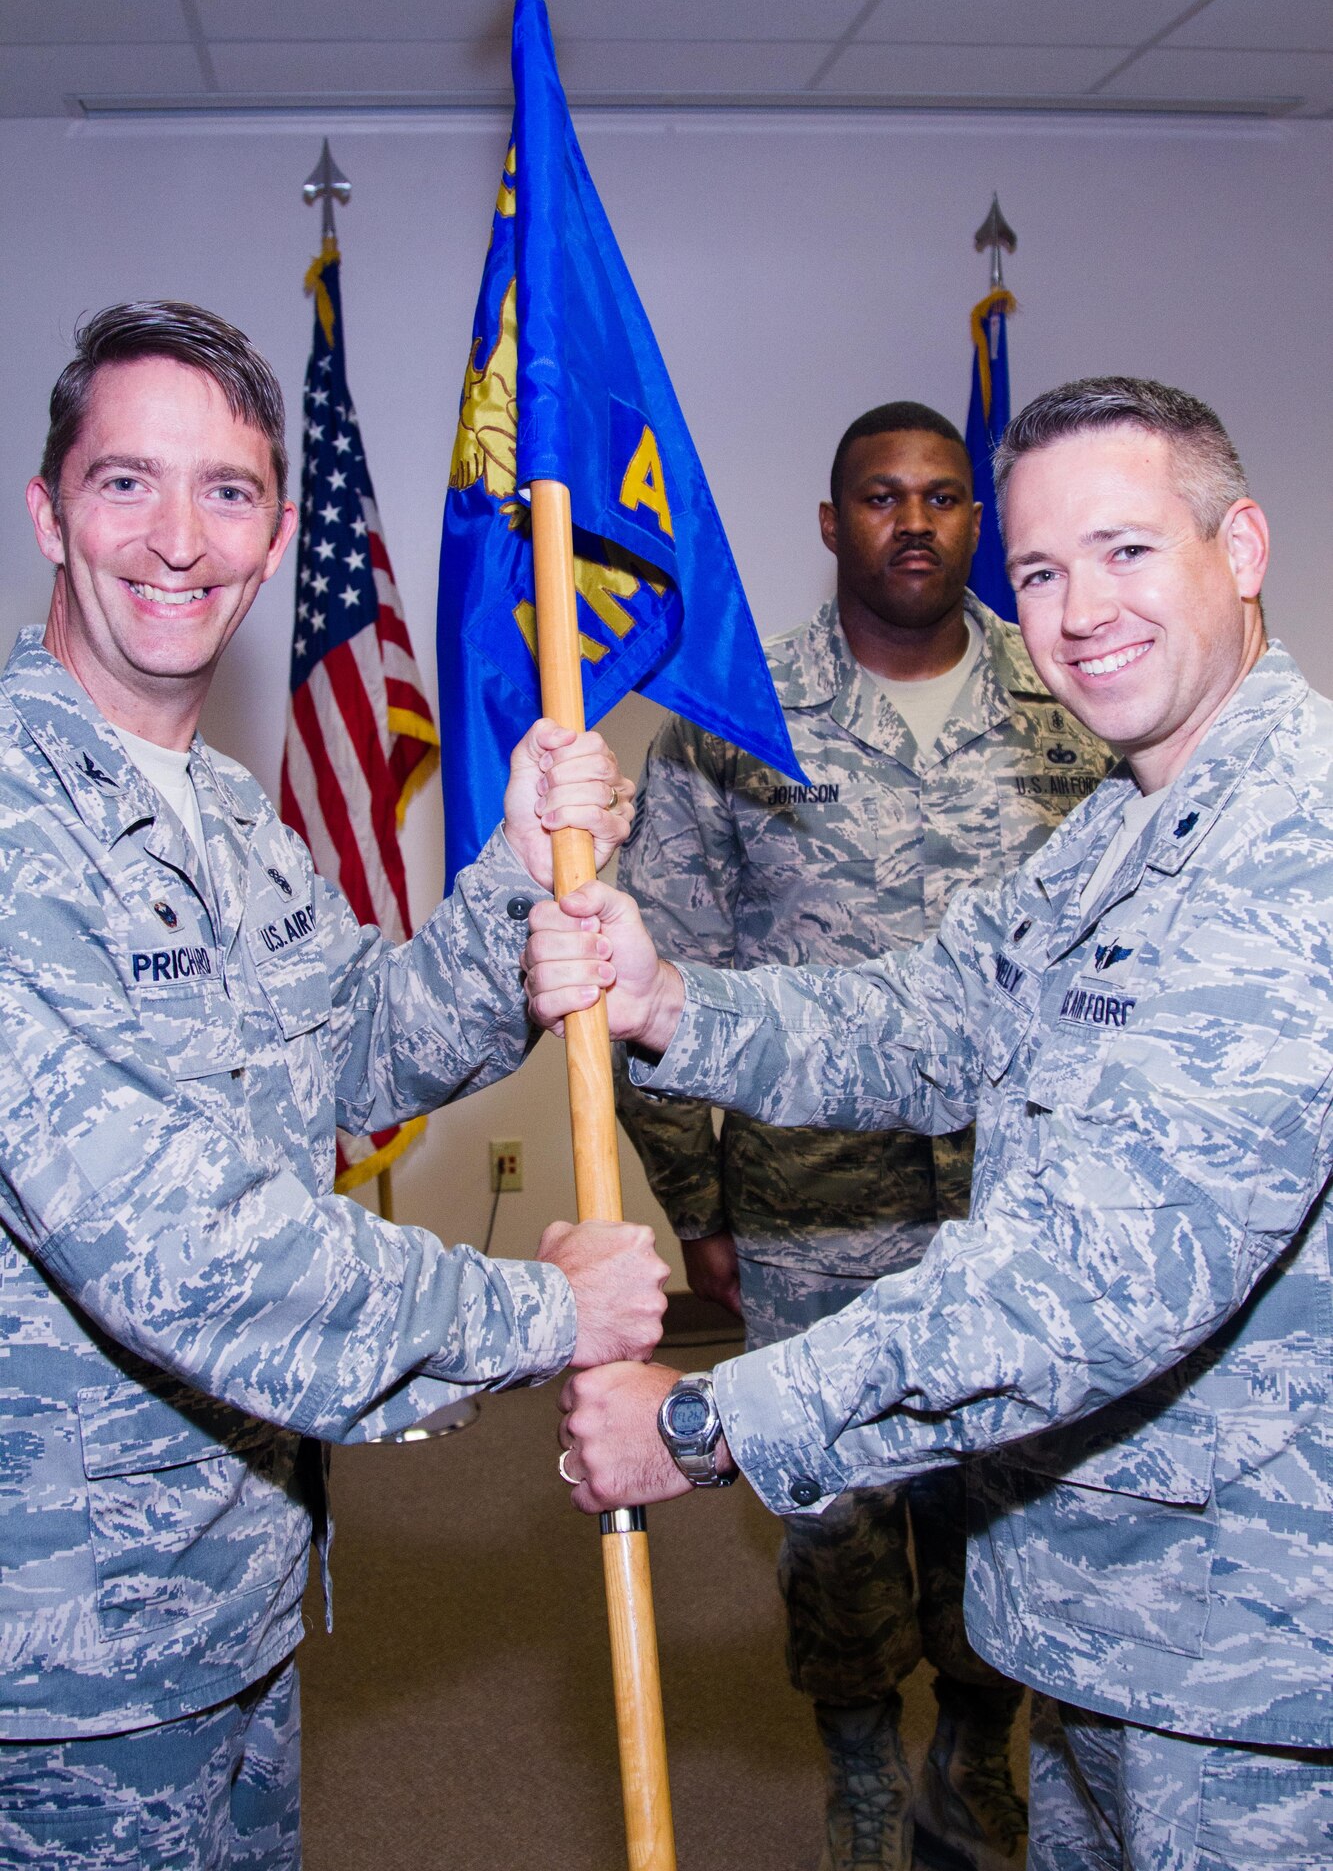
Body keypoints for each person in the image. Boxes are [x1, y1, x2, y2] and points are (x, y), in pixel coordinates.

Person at [527, 377, 1333, 1871]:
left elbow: (1091, 1278)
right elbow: (936, 1015)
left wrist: (705, 1424)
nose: (1078, 609)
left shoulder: (1292, 849)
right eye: (1036, 572)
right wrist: (674, 1005)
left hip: (1242, 1647)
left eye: (1125, 551)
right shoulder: (1128, 819)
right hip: (1112, 1617)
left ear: (1241, 546)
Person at [0, 302, 668, 1867]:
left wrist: (513, 876)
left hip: (230, 1580)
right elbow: (186, 1248)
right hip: (63, 1638)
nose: (179, 540)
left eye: (227, 492)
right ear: (46, 510)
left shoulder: (227, 816)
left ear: (278, 529)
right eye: (124, 484)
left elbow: (361, 1045)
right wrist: (538, 1315)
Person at [615, 401, 1108, 1871]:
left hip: (1020, 1206)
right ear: (830, 524)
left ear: (980, 523)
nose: (915, 523)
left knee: (1003, 1485)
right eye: (881, 498)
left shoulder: (1070, 702)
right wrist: (695, 1204)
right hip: (810, 1207)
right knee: (827, 1505)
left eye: (946, 496)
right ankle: (856, 1760)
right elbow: (664, 983)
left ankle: (973, 1742)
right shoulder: (732, 716)